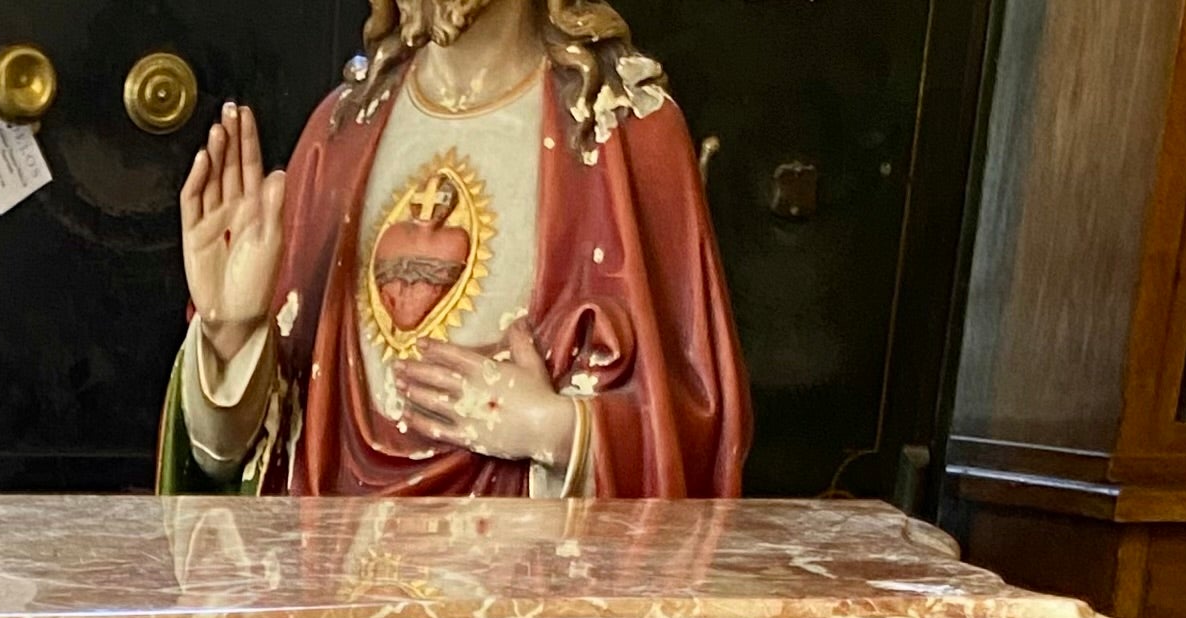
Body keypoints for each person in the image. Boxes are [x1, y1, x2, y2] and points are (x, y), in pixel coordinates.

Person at [160, 0, 748, 498]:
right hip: (339, 605)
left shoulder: (626, 136)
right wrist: (230, 334)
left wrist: (559, 432)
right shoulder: (339, 135)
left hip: (527, 611)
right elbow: (237, 460)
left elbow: (697, 435)